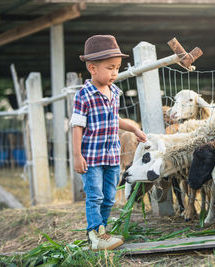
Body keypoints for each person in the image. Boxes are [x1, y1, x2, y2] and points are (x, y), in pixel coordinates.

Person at [70, 35, 147, 251]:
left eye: (117, 67)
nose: (115, 72)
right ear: (93, 68)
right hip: (92, 158)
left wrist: (133, 128)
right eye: (110, 67)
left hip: (112, 156)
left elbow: (114, 119)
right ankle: (95, 233)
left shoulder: (115, 92)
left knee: (109, 197)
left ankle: (102, 231)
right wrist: (77, 155)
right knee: (95, 196)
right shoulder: (84, 95)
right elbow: (77, 126)